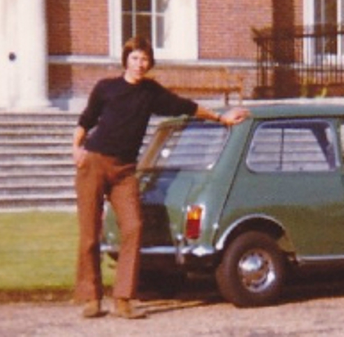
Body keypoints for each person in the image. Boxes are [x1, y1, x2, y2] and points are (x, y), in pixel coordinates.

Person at [73, 36, 250, 319]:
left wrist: (222, 118)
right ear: (125, 60)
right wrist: (76, 148)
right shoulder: (106, 88)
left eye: (144, 59)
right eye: (134, 58)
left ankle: (123, 299)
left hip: (125, 171)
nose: (139, 64)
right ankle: (91, 298)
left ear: (149, 63)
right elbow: (85, 121)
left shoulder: (150, 92)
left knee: (133, 227)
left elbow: (185, 106)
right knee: (89, 234)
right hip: (93, 162)